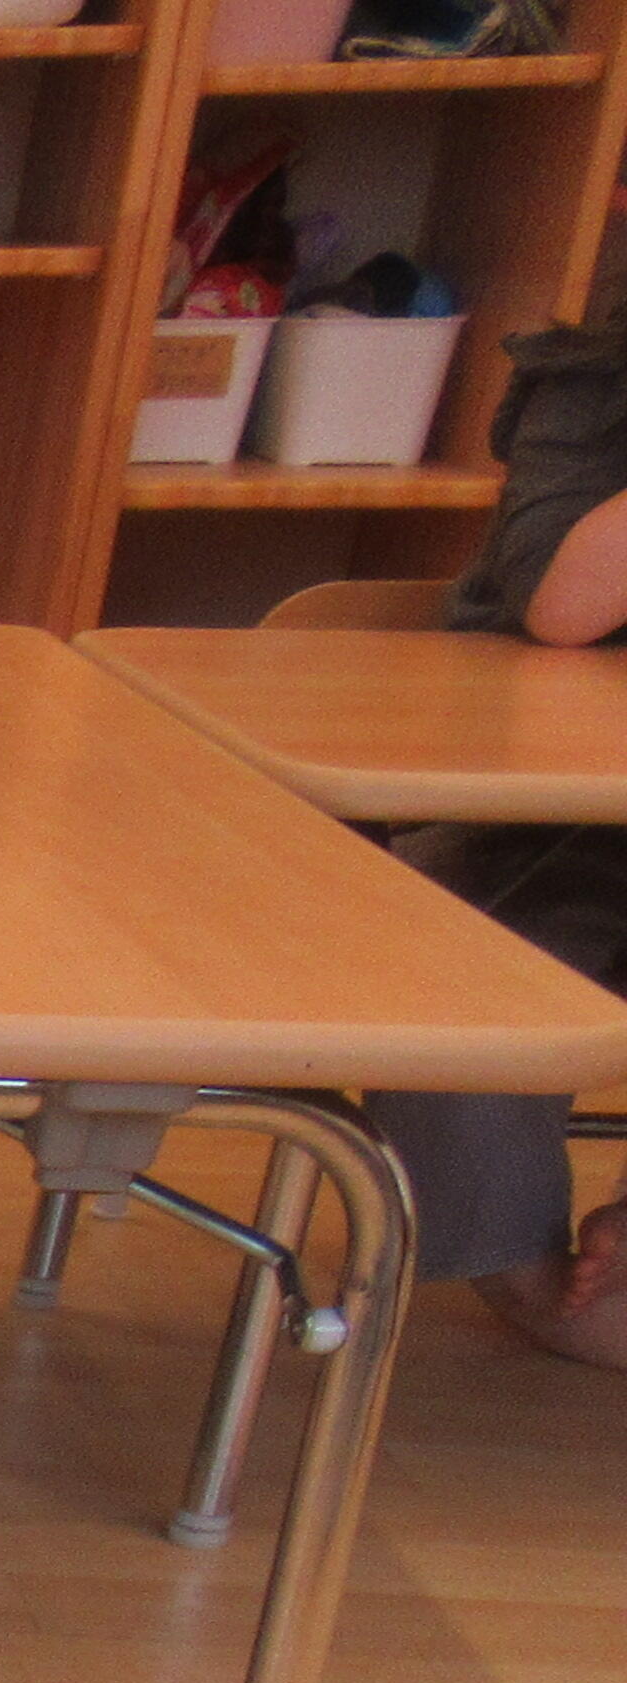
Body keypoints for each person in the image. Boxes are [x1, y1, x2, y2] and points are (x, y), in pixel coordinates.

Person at [369, 307, 627, 1368]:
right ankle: (518, 1265)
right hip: (540, 827)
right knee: (466, 989)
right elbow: (564, 604)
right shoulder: (590, 380)